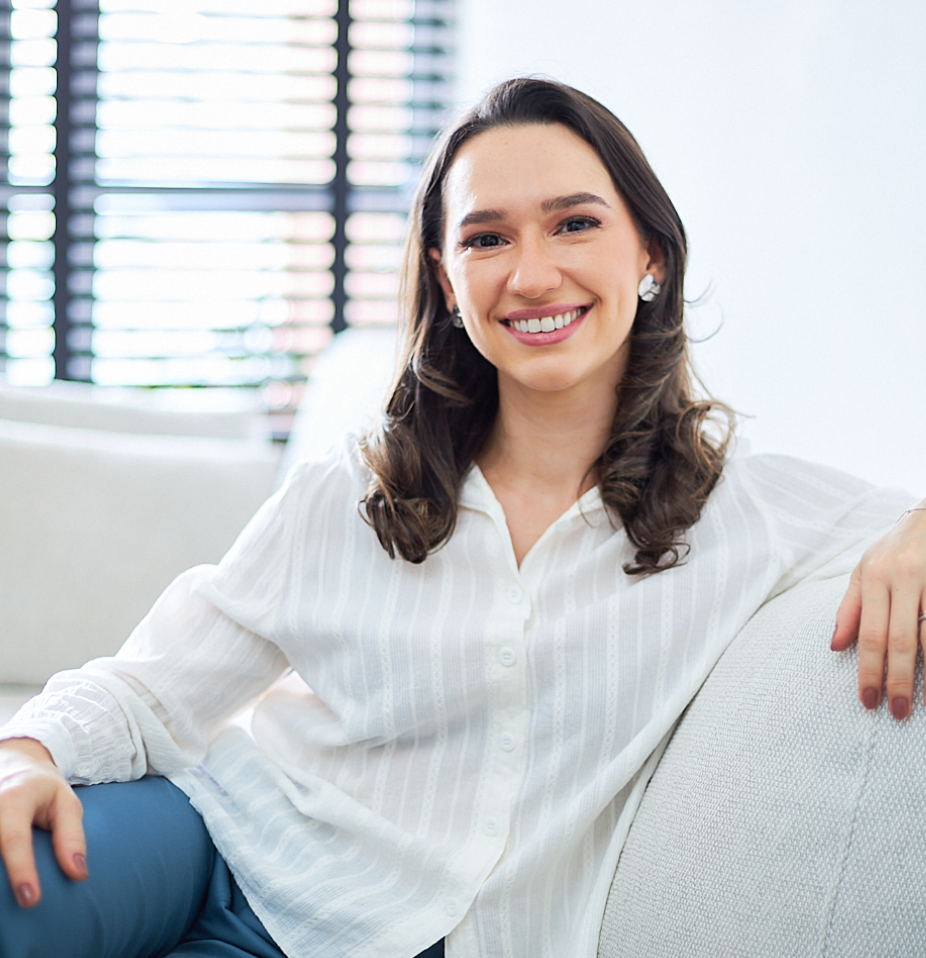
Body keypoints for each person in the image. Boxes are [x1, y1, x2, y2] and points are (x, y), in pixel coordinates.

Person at [0, 77, 924, 958]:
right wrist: (27, 749)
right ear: (445, 278)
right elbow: (157, 685)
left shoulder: (745, 510)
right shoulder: (352, 490)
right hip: (210, 844)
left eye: (574, 223)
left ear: (650, 254)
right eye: (486, 239)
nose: (532, 273)